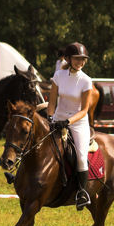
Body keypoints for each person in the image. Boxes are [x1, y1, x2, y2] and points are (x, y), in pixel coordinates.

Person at [47, 42, 93, 210]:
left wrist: (68, 122)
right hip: (57, 118)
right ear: (68, 58)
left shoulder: (86, 81)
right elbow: (52, 102)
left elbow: (84, 110)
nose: (80, 62)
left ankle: (81, 193)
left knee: (81, 157)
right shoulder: (59, 75)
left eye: (83, 60)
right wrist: (51, 117)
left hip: (78, 123)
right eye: (77, 59)